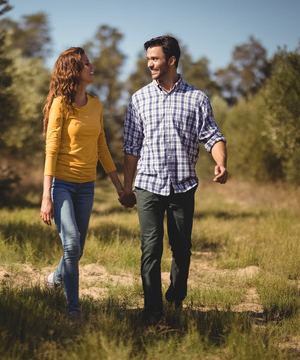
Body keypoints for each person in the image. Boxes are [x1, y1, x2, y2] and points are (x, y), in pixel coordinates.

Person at [119, 35, 228, 323]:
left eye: (154, 59)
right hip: (149, 186)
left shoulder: (197, 98)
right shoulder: (139, 99)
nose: (149, 64)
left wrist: (221, 163)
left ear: (171, 60)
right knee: (150, 247)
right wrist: (127, 188)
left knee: (181, 249)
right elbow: (131, 148)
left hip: (182, 186)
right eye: (148, 59)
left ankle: (176, 297)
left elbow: (213, 136)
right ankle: (152, 310)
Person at [40, 47, 123, 322]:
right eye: (87, 63)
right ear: (75, 70)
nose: (93, 66)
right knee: (72, 244)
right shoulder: (60, 105)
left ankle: (54, 278)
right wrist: (46, 196)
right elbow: (51, 149)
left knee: (77, 250)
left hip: (87, 186)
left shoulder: (97, 105)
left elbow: (102, 147)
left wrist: (118, 186)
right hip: (61, 184)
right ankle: (73, 309)